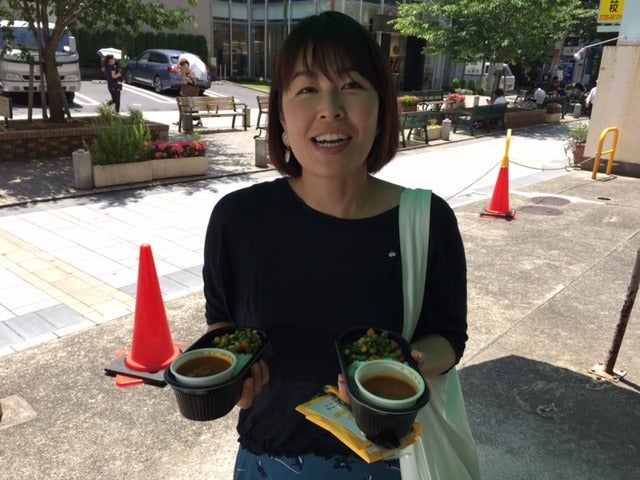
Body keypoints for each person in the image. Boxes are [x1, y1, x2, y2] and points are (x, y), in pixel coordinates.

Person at [202, 11, 469, 480]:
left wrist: (407, 365)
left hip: (390, 463)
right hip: (267, 461)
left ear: (381, 107)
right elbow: (223, 322)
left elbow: (448, 335)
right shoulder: (237, 220)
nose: (330, 108)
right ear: (280, 114)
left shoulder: (426, 220)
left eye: (350, 85)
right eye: (306, 89)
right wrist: (235, 375)